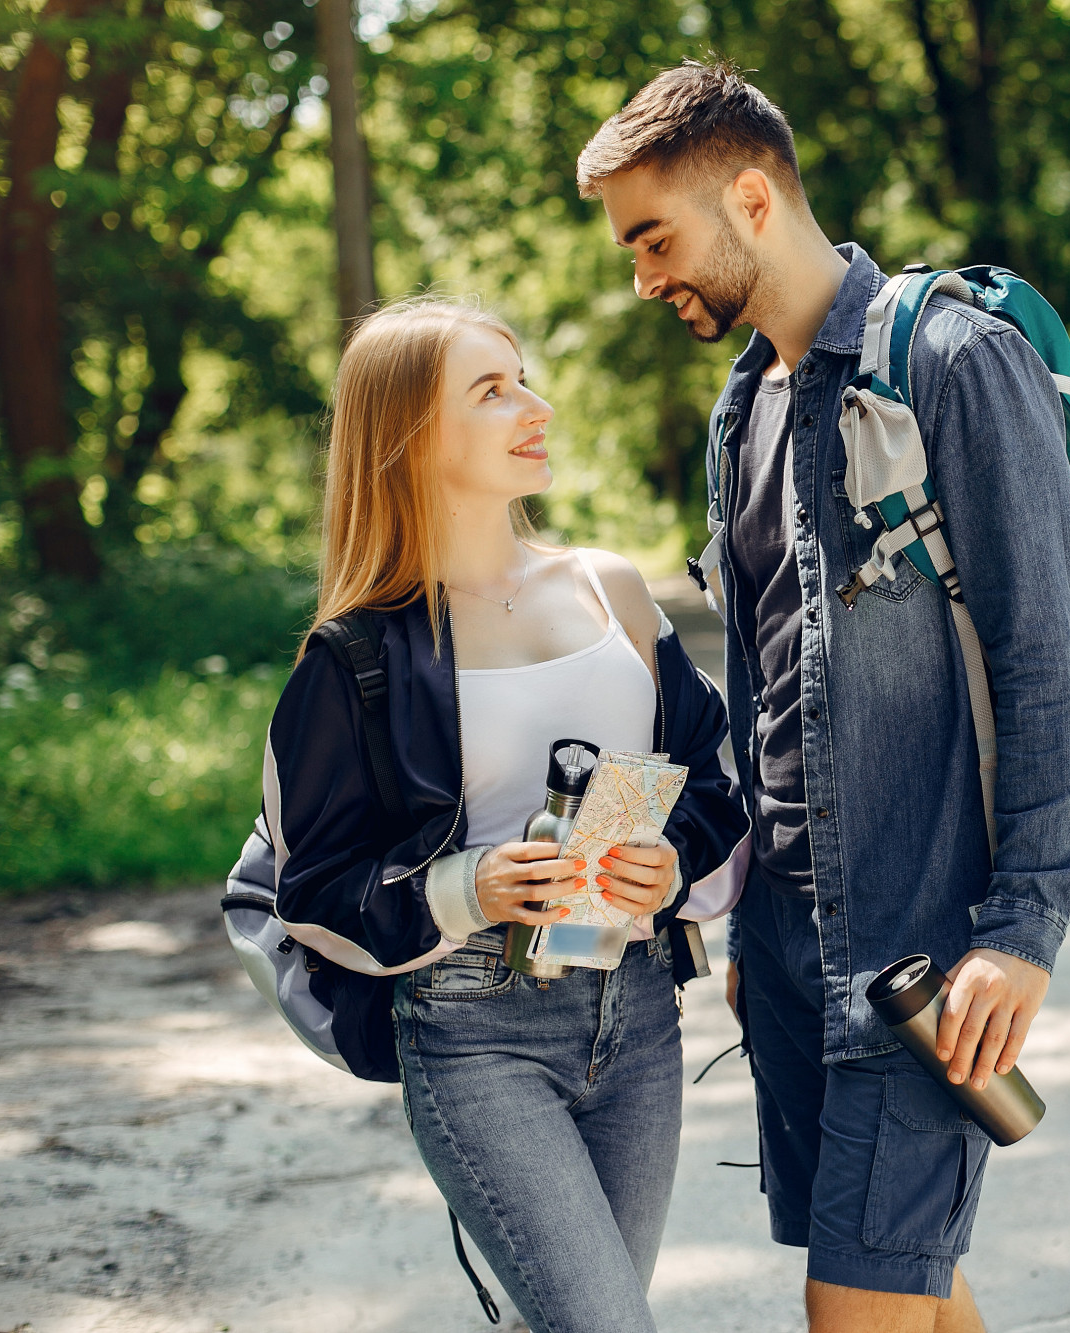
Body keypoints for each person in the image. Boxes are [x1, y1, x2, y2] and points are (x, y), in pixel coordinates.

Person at [576, 61, 1070, 1333]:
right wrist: (749, 909)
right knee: (909, 1287)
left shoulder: (951, 360)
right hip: (790, 948)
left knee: (855, 1304)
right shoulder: (738, 412)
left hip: (923, 949)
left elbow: (1047, 657)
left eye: (654, 238)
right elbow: (762, 683)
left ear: (749, 197)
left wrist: (1023, 925)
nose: (642, 277)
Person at [228, 298, 748, 1332]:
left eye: (523, 377)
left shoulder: (611, 593)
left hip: (638, 1014)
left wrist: (672, 870)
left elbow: (715, 783)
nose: (535, 405)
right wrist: (467, 886)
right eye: (492, 390)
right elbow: (309, 892)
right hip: (472, 1037)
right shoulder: (356, 656)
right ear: (412, 434)